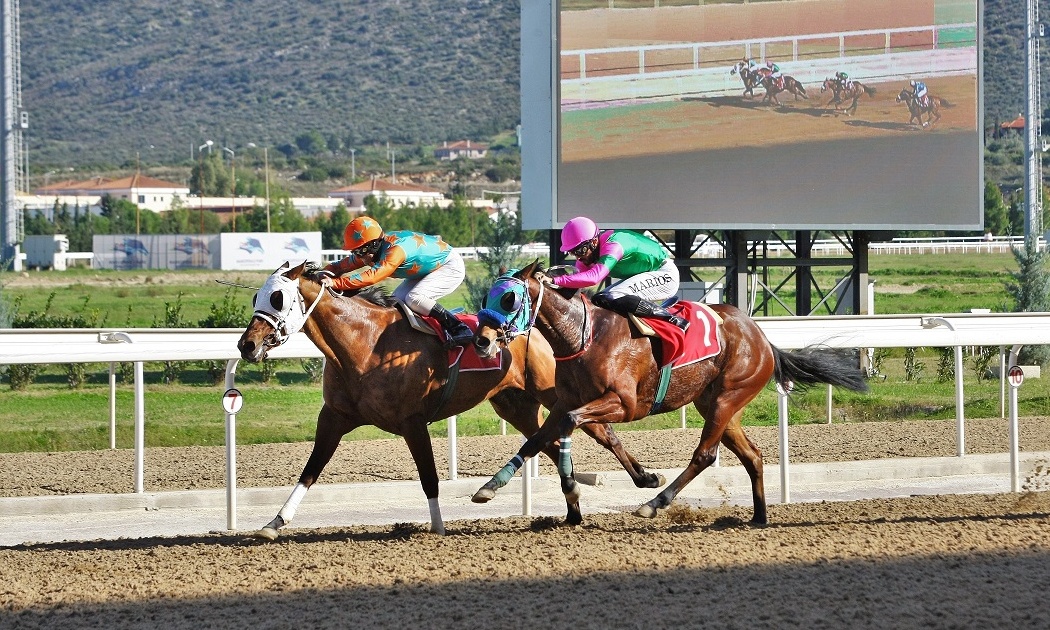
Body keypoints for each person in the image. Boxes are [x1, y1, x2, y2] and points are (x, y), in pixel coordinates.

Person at [321, 216, 474, 347]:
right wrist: (321, 273)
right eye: (354, 252)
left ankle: (459, 328)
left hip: (449, 266)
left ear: (374, 245)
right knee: (395, 304)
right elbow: (341, 266)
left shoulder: (394, 251)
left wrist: (336, 283)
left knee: (414, 298)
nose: (358, 256)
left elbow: (373, 276)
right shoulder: (371, 249)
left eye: (360, 251)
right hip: (427, 270)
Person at [551, 216, 689, 331]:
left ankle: (671, 320)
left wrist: (555, 281)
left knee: (613, 296)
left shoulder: (613, 245)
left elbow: (594, 278)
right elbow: (576, 283)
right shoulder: (587, 255)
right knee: (598, 300)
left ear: (593, 242)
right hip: (646, 274)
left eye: (580, 251)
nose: (577, 257)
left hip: (664, 274)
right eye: (572, 252)